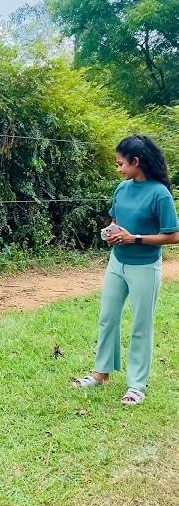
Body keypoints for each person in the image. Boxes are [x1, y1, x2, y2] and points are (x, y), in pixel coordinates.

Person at [74, 135, 178, 405]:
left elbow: (172, 235)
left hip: (145, 267)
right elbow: (116, 220)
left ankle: (136, 385)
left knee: (141, 325)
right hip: (117, 263)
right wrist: (110, 232)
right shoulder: (122, 189)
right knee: (108, 318)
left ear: (136, 162)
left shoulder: (160, 194)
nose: (118, 168)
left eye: (121, 163)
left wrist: (136, 238)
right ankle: (100, 375)